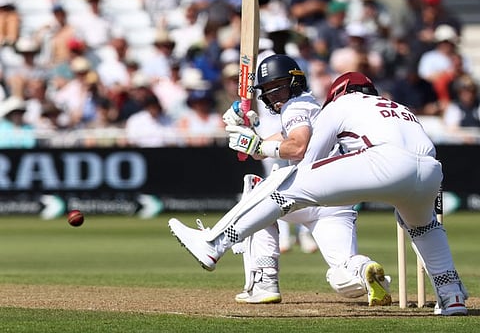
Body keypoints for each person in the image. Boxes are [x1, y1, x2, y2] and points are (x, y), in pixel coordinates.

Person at [169, 58, 468, 316]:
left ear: (338, 92)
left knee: (283, 184)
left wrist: (260, 146)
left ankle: (213, 245)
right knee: (425, 229)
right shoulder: (398, 107)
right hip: (429, 171)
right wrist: (255, 140)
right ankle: (451, 296)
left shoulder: (341, 104)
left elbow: (305, 158)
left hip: (381, 160)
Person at [178, 55, 393, 307]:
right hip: (337, 203)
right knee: (343, 274)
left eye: (277, 87)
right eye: (268, 90)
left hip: (306, 193)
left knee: (256, 189)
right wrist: (242, 130)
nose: (273, 95)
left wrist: (256, 144)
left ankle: (264, 281)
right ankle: (365, 270)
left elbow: (297, 147)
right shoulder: (312, 107)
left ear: (295, 82)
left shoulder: (296, 107)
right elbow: (263, 148)